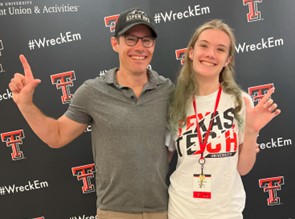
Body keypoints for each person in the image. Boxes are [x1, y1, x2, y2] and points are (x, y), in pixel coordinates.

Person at [9, 8, 174, 219]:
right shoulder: (93, 91)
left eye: (146, 40)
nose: (140, 47)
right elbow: (56, 135)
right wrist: (26, 104)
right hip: (113, 212)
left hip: (162, 211)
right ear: (115, 43)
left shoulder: (168, 91)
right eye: (131, 39)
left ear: (153, 45)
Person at [167, 19, 281, 219]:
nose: (210, 54)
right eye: (204, 45)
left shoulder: (241, 102)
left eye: (220, 49)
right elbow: (162, 157)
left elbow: (243, 168)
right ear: (191, 52)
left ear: (228, 59)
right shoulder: (174, 104)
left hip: (226, 212)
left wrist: (251, 131)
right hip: (181, 211)